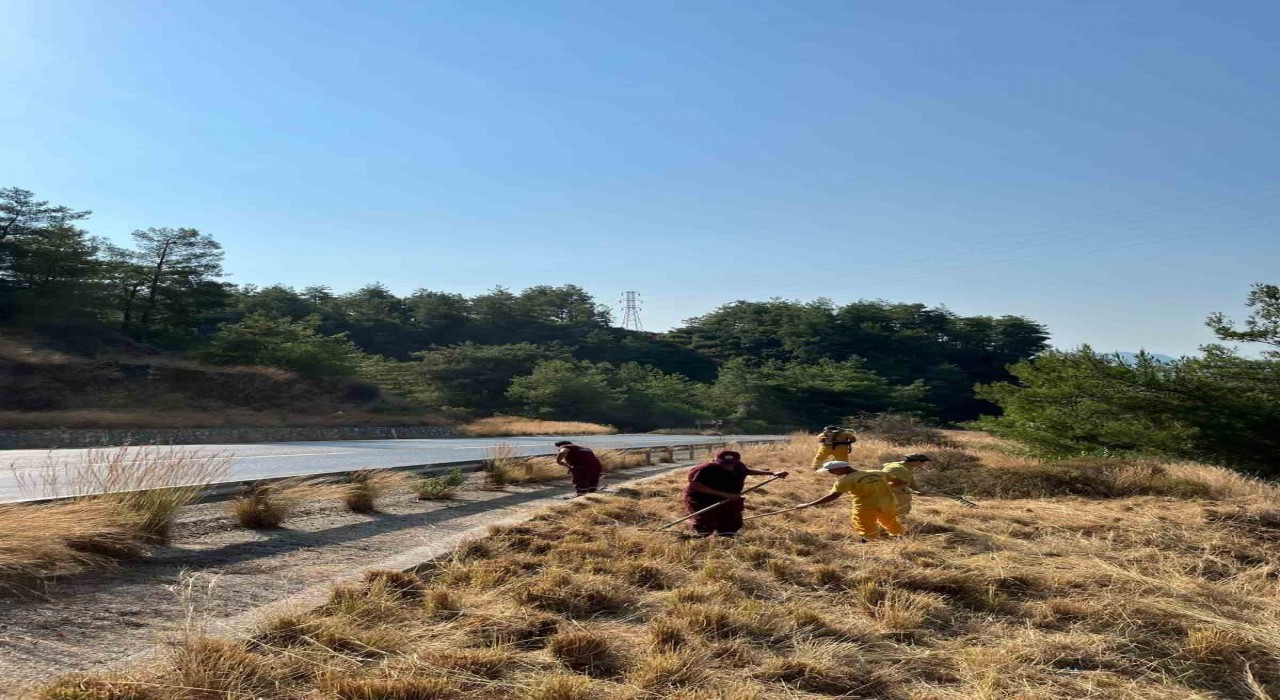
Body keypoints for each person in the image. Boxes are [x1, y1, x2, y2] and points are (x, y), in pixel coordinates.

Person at [684, 449, 788, 537]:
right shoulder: (704, 469)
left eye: (731, 464)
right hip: (702, 498)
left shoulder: (739, 466)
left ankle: (725, 538)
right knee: (705, 522)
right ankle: (697, 538)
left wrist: (772, 473)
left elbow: (746, 471)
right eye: (724, 464)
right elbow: (696, 485)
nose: (728, 467)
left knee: (732, 521)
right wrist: (724, 494)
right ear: (716, 460)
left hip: (730, 497)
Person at [793, 461, 904, 541]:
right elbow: (899, 482)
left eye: (831, 471)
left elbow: (833, 496)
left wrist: (808, 504)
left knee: (865, 527)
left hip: (866, 507)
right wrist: (884, 486)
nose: (830, 473)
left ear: (841, 469)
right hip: (888, 503)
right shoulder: (878, 472)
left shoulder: (844, 481)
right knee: (890, 521)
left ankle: (873, 546)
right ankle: (900, 538)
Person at [882, 453, 931, 517]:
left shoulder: (897, 465)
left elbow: (911, 481)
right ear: (917, 461)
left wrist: (919, 490)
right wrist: (914, 491)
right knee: (900, 510)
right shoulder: (901, 469)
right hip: (893, 493)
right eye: (923, 462)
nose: (924, 464)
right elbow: (900, 484)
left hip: (885, 491)